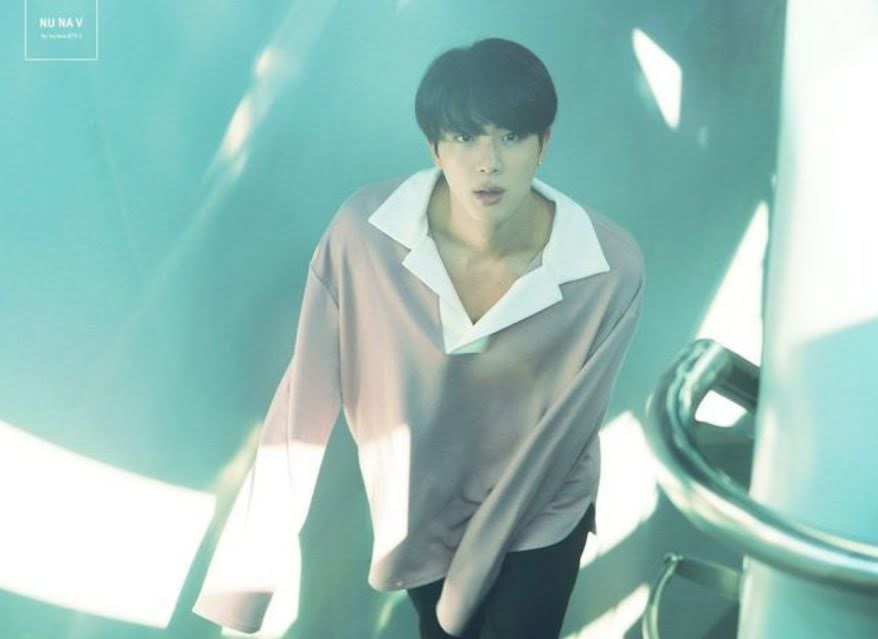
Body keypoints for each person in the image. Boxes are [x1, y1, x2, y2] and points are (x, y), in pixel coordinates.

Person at [192, 37, 644, 639]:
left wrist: (463, 595)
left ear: (544, 143)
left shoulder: (607, 266)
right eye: (464, 137)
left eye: (511, 137)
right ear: (434, 146)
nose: (488, 162)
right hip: (422, 511)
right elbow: (303, 403)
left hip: (541, 504)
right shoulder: (365, 237)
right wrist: (243, 587)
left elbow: (562, 437)